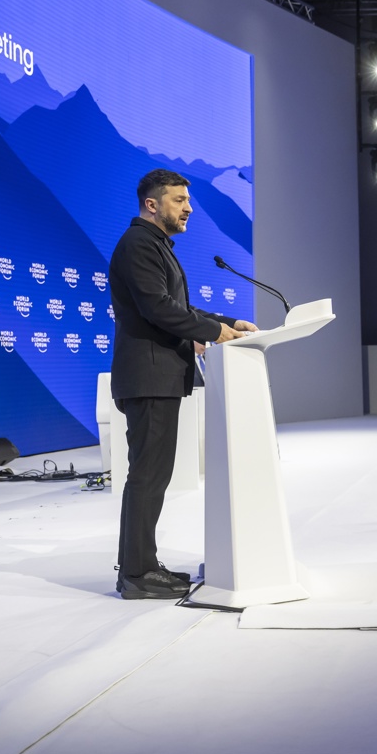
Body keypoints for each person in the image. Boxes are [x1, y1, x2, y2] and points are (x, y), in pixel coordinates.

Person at [110, 169, 255, 600]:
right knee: (148, 477)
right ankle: (137, 574)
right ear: (152, 204)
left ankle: (142, 566)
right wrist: (214, 332)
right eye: (179, 200)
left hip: (158, 376)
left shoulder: (155, 244)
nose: (189, 207)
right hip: (149, 377)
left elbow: (177, 307)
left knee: (153, 476)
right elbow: (158, 308)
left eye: (188, 199)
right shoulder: (139, 244)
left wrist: (228, 323)